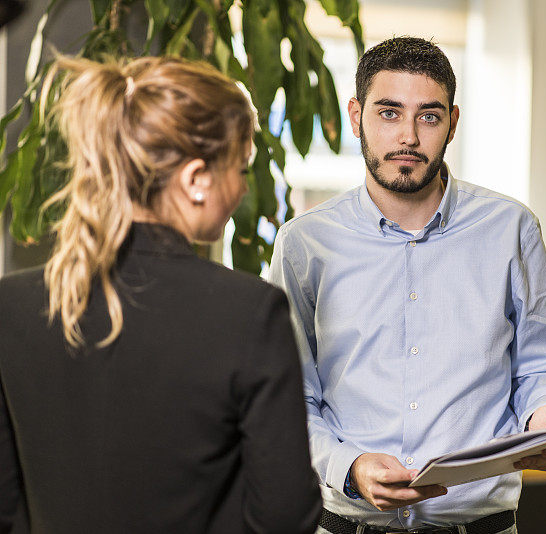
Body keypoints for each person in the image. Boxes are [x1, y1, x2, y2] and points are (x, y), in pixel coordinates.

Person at [267, 37, 546, 533]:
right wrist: (348, 467)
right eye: (388, 113)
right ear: (356, 116)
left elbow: (542, 363)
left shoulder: (511, 228)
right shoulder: (304, 244)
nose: (408, 137)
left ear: (452, 123)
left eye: (429, 117)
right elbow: (288, 399)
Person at [0, 56, 321, 533]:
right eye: (241, 167)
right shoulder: (248, 312)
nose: (240, 189)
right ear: (196, 180)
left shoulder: (10, 305)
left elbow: (7, 507)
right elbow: (285, 516)